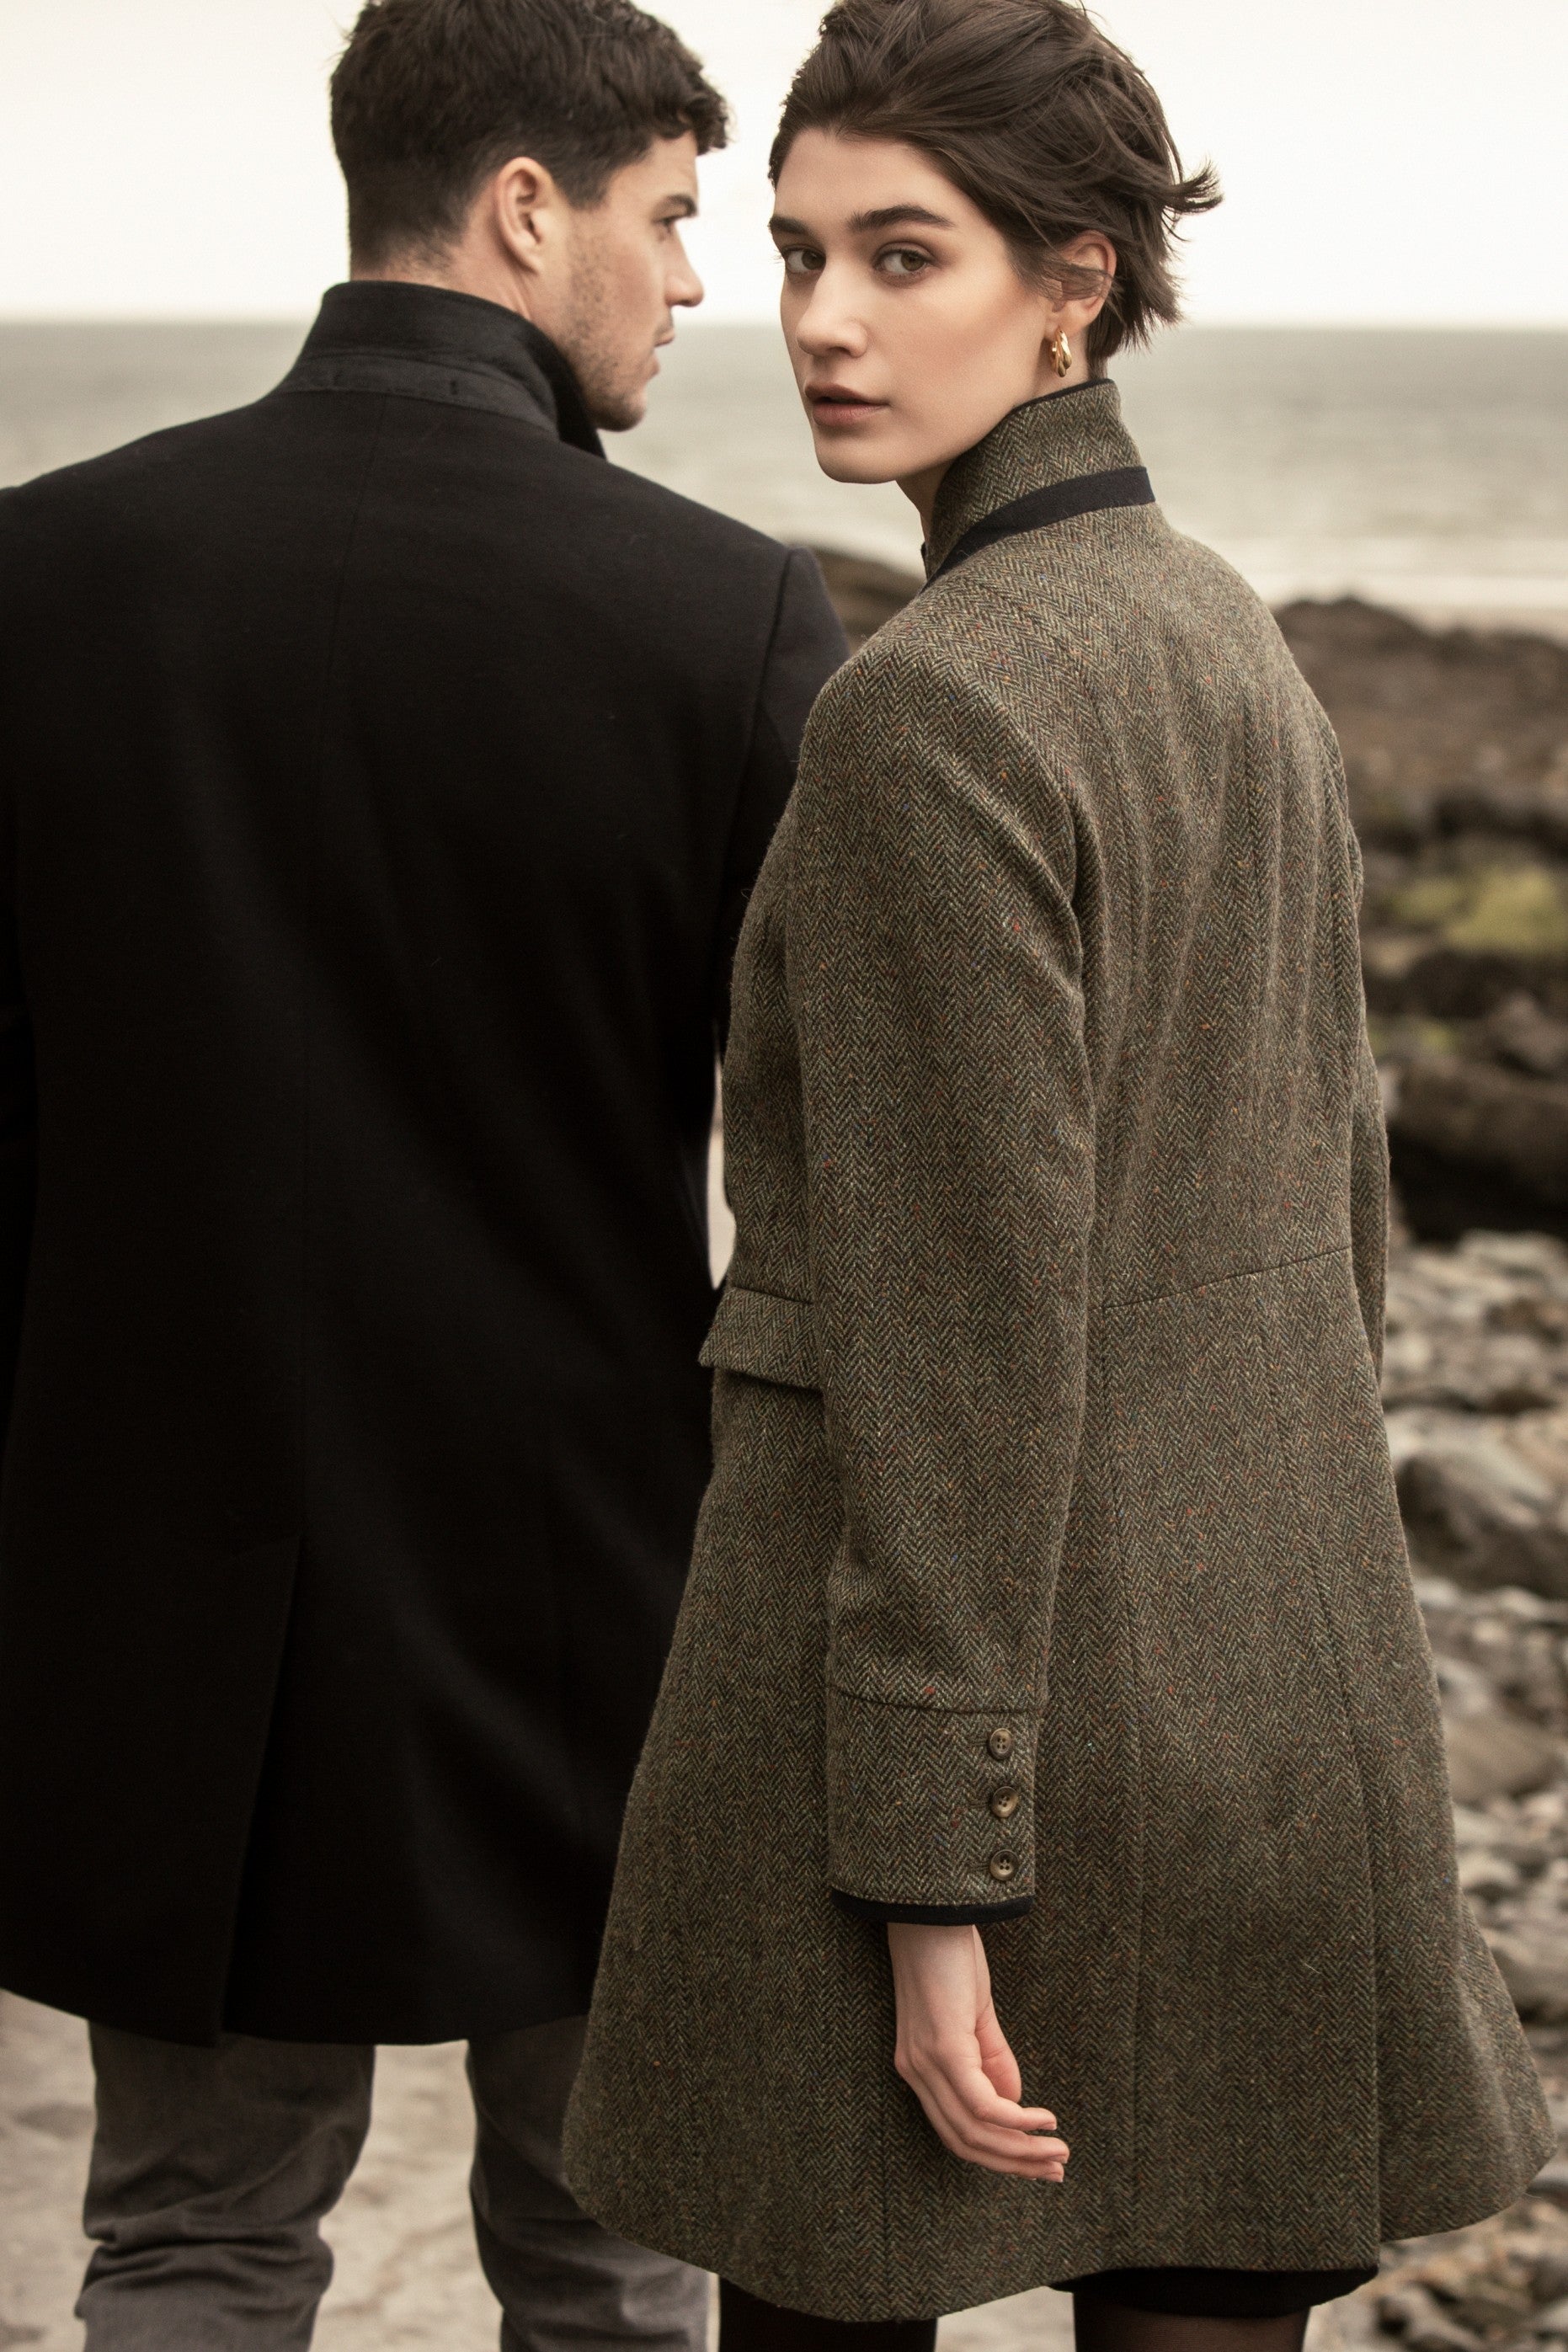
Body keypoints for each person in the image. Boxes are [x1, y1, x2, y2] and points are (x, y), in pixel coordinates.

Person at [563, 1, 1555, 2345]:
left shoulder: (932, 703)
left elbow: (960, 1335)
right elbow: (1349, 1232)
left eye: (904, 256)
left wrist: (926, 1881)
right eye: (795, 250)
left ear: (1076, 279)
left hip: (936, 1761)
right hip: (1273, 1713)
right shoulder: (1237, 648)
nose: (816, 319)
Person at [0, 0, 846, 2342]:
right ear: (523, 208)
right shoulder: (726, 614)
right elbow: (824, 1184)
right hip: (590, 1595)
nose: (699, 284)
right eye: (676, 220)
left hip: (176, 1603)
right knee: (612, 2253)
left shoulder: (41, 579)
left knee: (185, 2238)